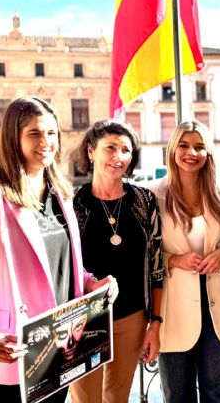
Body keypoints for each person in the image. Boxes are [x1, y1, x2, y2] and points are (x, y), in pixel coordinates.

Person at [0, 97, 115, 403]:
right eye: (34, 134)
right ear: (12, 137)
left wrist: (92, 283)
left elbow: (64, 264)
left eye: (52, 133)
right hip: (13, 350)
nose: (46, 142)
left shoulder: (60, 193)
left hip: (62, 346)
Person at [147, 120, 220, 403]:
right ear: (173, 149)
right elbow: (146, 253)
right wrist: (174, 259)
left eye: (199, 147)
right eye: (185, 145)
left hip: (217, 304)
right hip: (173, 307)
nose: (192, 153)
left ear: (208, 152)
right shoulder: (152, 194)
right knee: (178, 394)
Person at [71, 119, 163, 403]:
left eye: (126, 150)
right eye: (110, 148)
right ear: (90, 152)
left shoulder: (144, 201)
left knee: (118, 397)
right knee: (86, 399)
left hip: (132, 318)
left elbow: (157, 267)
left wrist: (155, 324)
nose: (119, 157)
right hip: (83, 320)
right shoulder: (73, 203)